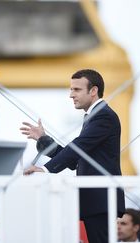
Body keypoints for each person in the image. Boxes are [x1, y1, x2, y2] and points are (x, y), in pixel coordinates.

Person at [21, 69, 125, 243]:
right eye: (71, 90)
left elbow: (78, 147)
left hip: (101, 200)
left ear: (93, 91)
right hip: (96, 201)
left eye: (76, 90)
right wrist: (43, 140)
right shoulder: (94, 116)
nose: (71, 95)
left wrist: (45, 169)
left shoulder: (103, 116)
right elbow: (75, 158)